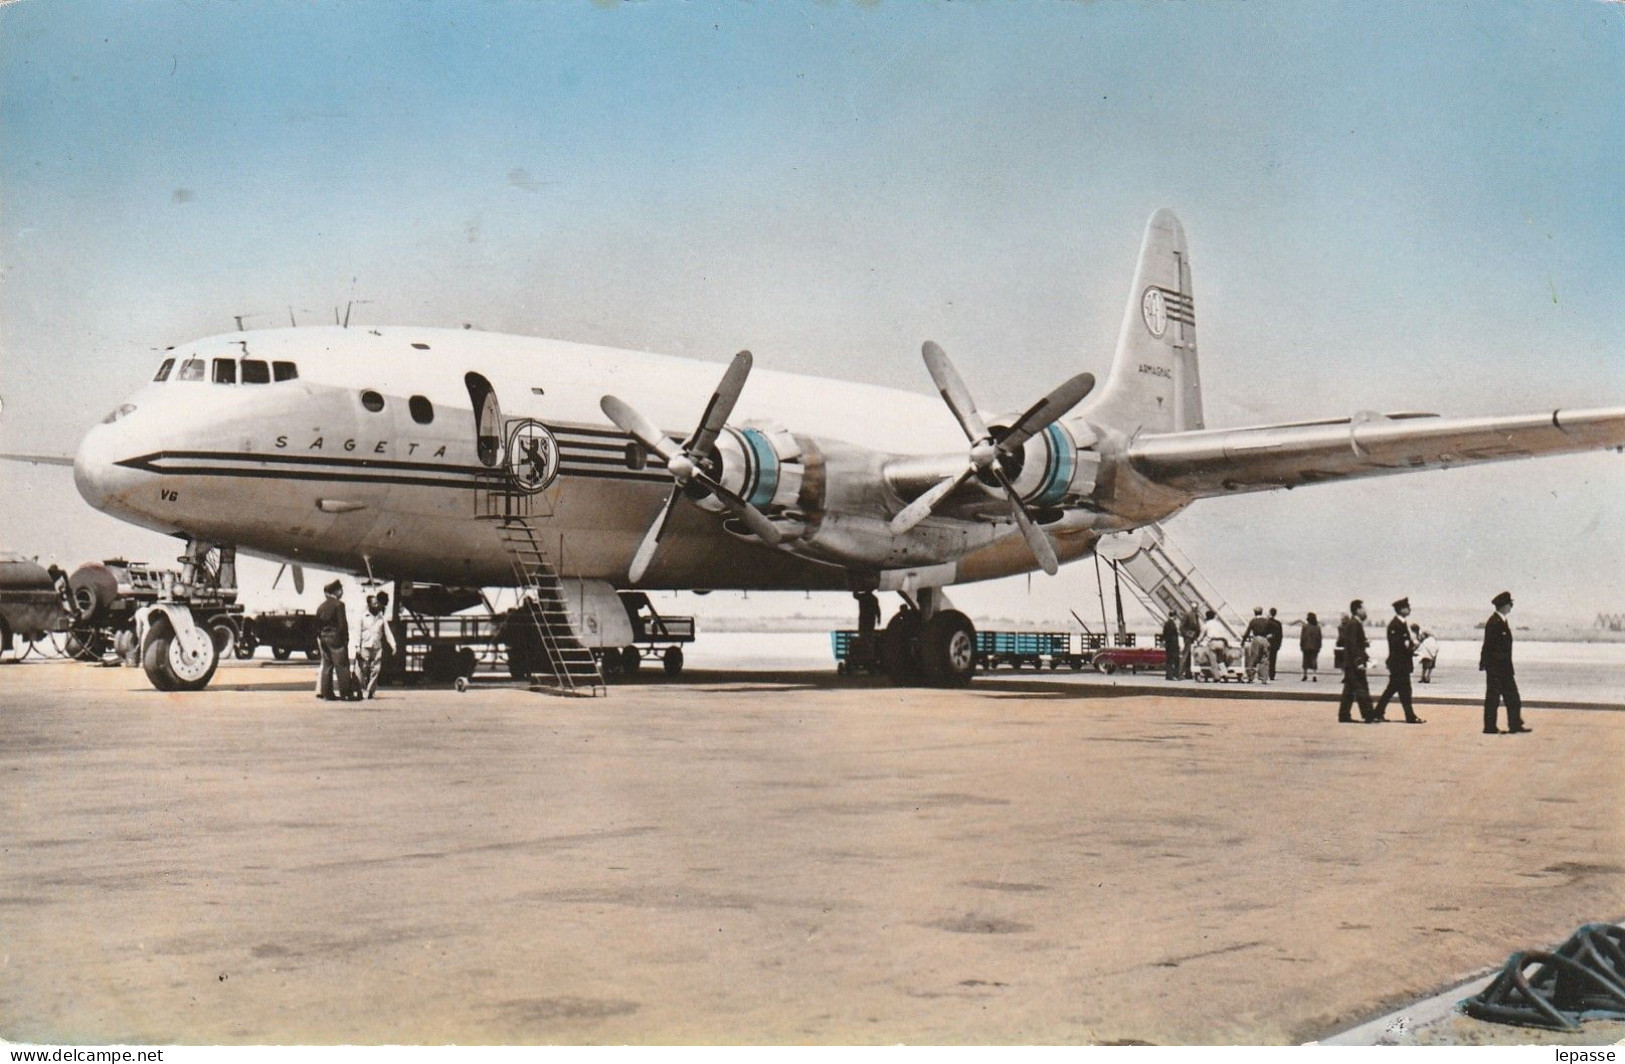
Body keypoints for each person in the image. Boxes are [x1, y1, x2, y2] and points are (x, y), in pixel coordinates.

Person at [1480, 590, 1528, 734]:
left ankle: (1515, 725)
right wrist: (1487, 664)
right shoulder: (1494, 622)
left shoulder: (1501, 621)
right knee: (1493, 699)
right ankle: (1490, 727)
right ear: (1503, 606)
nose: (1511, 607)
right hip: (1497, 668)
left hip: (1504, 668)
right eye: (1509, 604)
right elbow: (1488, 645)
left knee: (1513, 698)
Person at [1373, 597, 1424, 723]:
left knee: (1396, 690)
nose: (1410, 609)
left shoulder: (1401, 623)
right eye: (1407, 607)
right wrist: (1412, 647)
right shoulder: (1395, 625)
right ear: (1401, 609)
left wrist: (1412, 645)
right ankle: (1409, 716)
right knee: (1403, 691)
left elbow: (1404, 643)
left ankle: (1378, 713)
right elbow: (1398, 645)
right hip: (1398, 664)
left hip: (1400, 664)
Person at [315, 580, 358, 701]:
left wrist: (321, 636)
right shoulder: (339, 605)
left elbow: (316, 625)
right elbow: (342, 625)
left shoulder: (321, 606)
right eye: (341, 590)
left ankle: (327, 694)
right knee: (342, 666)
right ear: (337, 591)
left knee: (327, 666)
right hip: (336, 638)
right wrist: (345, 639)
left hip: (324, 637)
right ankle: (346, 694)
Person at [1336, 599, 1376, 723]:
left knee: (1349, 690)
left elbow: (1357, 644)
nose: (1365, 611)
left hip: (1351, 663)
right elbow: (1352, 645)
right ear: (1358, 610)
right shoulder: (1354, 623)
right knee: (1361, 688)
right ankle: (1368, 715)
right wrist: (1359, 662)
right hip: (1354, 665)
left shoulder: (1355, 623)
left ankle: (1344, 715)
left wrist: (1366, 655)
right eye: (1363, 609)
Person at [355, 591, 397, 699]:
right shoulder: (362, 617)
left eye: (377, 603)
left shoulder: (381, 617)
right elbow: (357, 632)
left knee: (376, 670)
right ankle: (359, 690)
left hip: (377, 647)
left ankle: (370, 691)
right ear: (369, 604)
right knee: (362, 669)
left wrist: (393, 645)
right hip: (365, 646)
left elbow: (387, 632)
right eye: (374, 604)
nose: (377, 605)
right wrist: (357, 647)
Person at [1299, 612, 1323, 682]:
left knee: (1305, 661)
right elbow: (1319, 638)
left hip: (1306, 646)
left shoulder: (1305, 627)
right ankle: (1314, 675)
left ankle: (1305, 675)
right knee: (1314, 660)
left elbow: (1302, 637)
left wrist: (1301, 645)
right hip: (1315, 647)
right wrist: (1319, 646)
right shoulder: (1317, 627)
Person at [1179, 608, 1201, 679]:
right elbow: (1181, 627)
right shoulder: (1187, 615)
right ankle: (1179, 673)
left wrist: (1197, 636)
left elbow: (1197, 627)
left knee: (1190, 656)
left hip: (1194, 637)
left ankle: (1188, 673)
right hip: (1188, 638)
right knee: (1186, 654)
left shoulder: (1196, 616)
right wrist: (1188, 634)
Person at [1264, 607, 1284, 681]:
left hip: (1268, 643)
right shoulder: (1278, 623)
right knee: (1273, 660)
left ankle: (1265, 674)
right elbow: (1280, 635)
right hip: (1275, 644)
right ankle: (1272, 675)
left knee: (1265, 659)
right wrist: (1279, 645)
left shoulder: (1267, 622)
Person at [1162, 612, 1181, 680]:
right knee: (1174, 660)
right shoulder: (1172, 624)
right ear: (1174, 616)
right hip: (1172, 645)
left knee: (1169, 660)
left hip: (1169, 645)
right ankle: (1173, 675)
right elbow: (1173, 635)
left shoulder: (1167, 623)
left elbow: (1164, 634)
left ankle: (1169, 675)